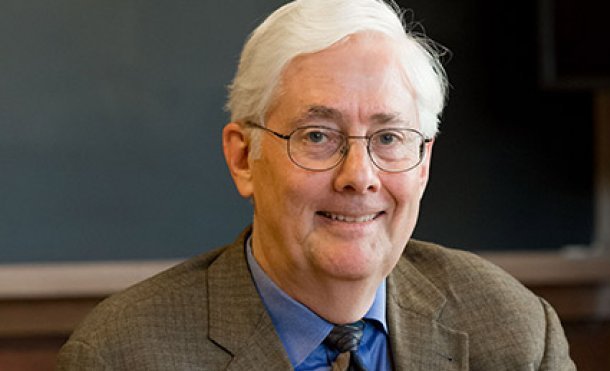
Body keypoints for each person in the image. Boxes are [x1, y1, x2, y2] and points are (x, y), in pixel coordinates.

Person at [57, 0, 576, 369]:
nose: (359, 176)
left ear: (423, 164)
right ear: (243, 158)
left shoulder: (513, 330)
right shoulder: (124, 354)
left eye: (389, 136)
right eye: (317, 136)